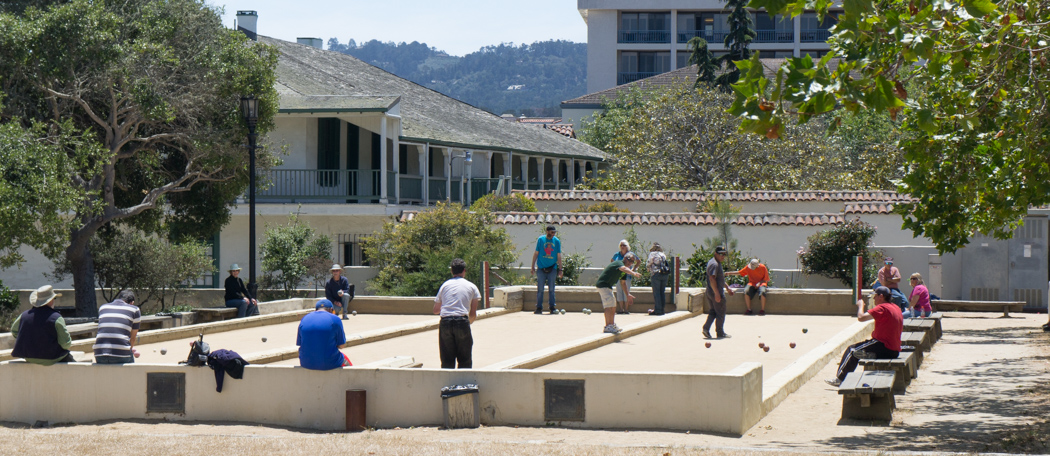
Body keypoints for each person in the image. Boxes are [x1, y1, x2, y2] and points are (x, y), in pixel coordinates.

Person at [826, 286, 903, 386]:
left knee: (852, 351)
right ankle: (871, 355)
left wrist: (860, 305)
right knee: (861, 349)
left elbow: (861, 318)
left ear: (881, 296)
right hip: (894, 350)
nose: (874, 299)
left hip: (883, 345)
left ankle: (840, 379)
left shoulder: (882, 308)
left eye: (875, 296)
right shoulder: (895, 307)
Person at [432, 258, 481, 369]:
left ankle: (447, 384)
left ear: (451, 271)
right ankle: (463, 384)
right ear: (464, 271)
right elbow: (473, 313)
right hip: (462, 321)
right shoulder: (472, 287)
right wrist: (468, 322)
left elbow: (435, 310)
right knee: (465, 360)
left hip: (445, 321)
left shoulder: (444, 286)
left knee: (447, 360)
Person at [11, 285, 75, 365]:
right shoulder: (56, 318)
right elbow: (65, 344)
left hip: (29, 356)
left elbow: (14, 331)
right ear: (50, 300)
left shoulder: (24, 315)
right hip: (52, 358)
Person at [297, 299, 351, 370]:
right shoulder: (335, 319)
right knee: (346, 362)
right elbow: (341, 345)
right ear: (331, 310)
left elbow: (300, 343)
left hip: (305, 362)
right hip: (328, 363)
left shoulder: (304, 319)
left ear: (316, 309)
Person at [596, 253, 642, 334]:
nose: (630, 262)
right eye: (629, 259)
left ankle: (612, 325)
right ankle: (607, 326)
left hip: (608, 286)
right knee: (608, 305)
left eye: (632, 261)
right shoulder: (619, 263)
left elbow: (623, 283)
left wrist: (627, 294)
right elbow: (623, 268)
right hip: (603, 285)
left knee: (613, 305)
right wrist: (633, 273)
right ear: (624, 258)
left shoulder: (624, 271)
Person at [93, 290, 142, 364]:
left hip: (99, 352)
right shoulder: (134, 309)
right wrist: (130, 349)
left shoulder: (103, 307)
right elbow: (133, 337)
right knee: (131, 374)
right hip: (121, 354)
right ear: (132, 303)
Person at [702, 246, 735, 339]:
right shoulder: (714, 264)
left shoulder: (716, 263)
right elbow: (712, 279)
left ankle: (706, 329)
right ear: (715, 254)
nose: (723, 256)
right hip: (715, 292)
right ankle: (720, 332)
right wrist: (717, 293)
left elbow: (719, 278)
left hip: (711, 292)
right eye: (721, 254)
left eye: (724, 254)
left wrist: (727, 288)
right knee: (720, 312)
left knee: (713, 312)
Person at [530, 225, 562, 315]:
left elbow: (559, 256)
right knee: (540, 289)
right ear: (547, 231)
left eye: (554, 233)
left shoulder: (557, 241)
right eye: (552, 232)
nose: (553, 234)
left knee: (551, 289)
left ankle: (552, 307)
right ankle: (539, 307)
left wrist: (560, 269)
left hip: (552, 268)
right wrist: (532, 266)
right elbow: (536, 253)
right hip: (541, 268)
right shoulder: (541, 240)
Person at [612, 239, 637, 314]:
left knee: (626, 291)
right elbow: (612, 261)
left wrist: (633, 269)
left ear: (627, 246)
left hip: (627, 276)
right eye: (621, 245)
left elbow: (638, 261)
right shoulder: (617, 254)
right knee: (619, 291)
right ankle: (621, 309)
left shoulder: (630, 254)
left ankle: (626, 309)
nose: (622, 247)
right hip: (618, 275)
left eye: (624, 245)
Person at [646, 243, 671, 316]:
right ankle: (662, 309)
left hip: (656, 273)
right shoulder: (663, 254)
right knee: (662, 292)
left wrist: (648, 269)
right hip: (664, 274)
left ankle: (658, 310)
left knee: (656, 293)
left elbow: (649, 263)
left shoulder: (652, 254)